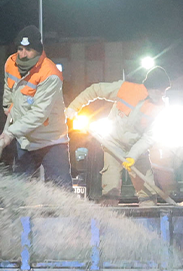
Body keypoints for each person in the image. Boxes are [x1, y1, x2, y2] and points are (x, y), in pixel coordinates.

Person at [65, 66, 172, 203]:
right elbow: (95, 90)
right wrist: (74, 107)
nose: (163, 94)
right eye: (162, 90)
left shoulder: (160, 108)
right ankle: (111, 218)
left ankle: (149, 217)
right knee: (110, 189)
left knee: (148, 193)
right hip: (113, 145)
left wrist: (132, 156)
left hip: (138, 150)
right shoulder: (126, 89)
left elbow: (149, 137)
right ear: (154, 87)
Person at [0, 26, 70, 188]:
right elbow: (8, 87)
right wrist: (7, 105)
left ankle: (64, 213)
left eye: (28, 50)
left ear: (37, 50)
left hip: (51, 140)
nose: (23, 54)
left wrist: (11, 131)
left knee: (61, 191)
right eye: (20, 49)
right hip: (26, 141)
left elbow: (39, 113)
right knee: (18, 190)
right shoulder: (10, 63)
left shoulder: (50, 74)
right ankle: (15, 213)